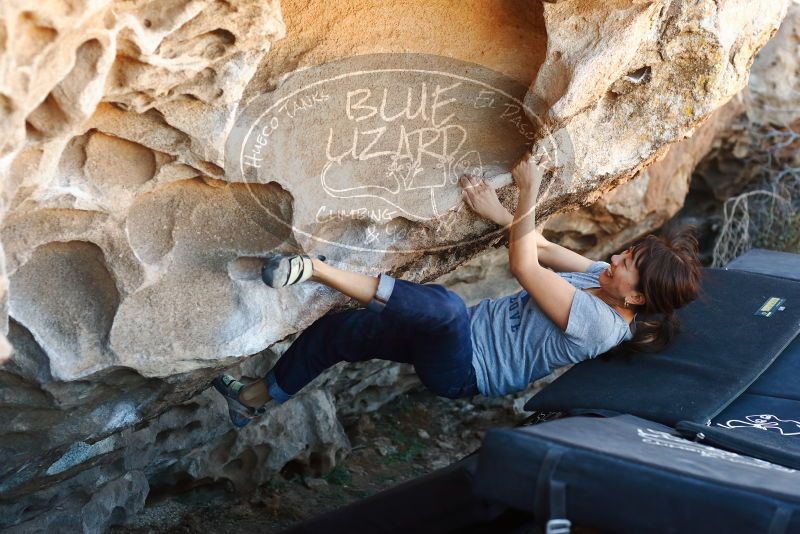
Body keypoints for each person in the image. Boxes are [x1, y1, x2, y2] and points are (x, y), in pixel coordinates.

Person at [212, 155, 702, 427]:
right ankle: (252, 399)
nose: (617, 259)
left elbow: (524, 265)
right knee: (340, 333)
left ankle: (315, 269)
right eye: (627, 252)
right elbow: (544, 247)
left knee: (444, 308)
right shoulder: (602, 279)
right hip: (460, 337)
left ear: (636, 299)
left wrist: (529, 191)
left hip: (466, 370)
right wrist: (495, 212)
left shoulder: (601, 326)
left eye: (628, 265)